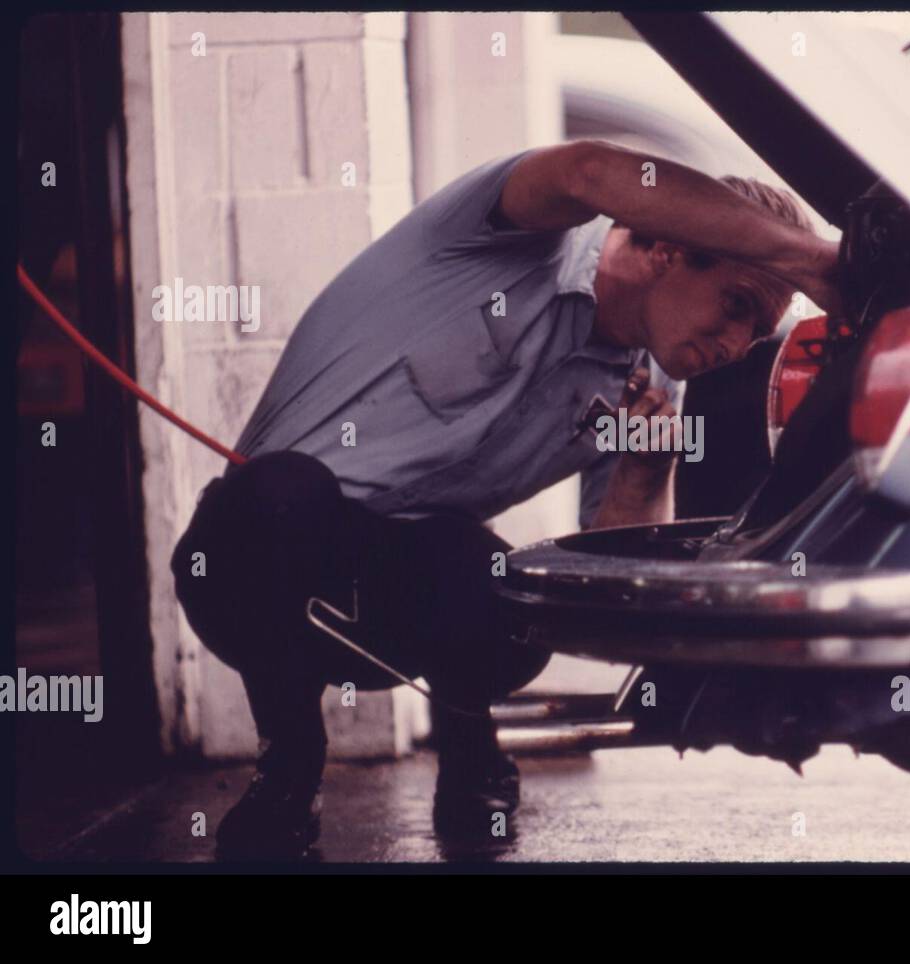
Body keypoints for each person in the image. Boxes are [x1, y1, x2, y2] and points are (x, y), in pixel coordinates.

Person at [171, 139, 842, 858]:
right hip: (263, 563)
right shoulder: (507, 236)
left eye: (757, 329)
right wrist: (820, 261)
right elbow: (589, 169)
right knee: (279, 492)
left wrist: (644, 471)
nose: (739, 343)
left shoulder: (648, 391)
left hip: (397, 595)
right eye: (736, 305)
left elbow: (609, 585)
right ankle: (288, 767)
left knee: (494, 578)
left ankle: (472, 744)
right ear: (668, 250)